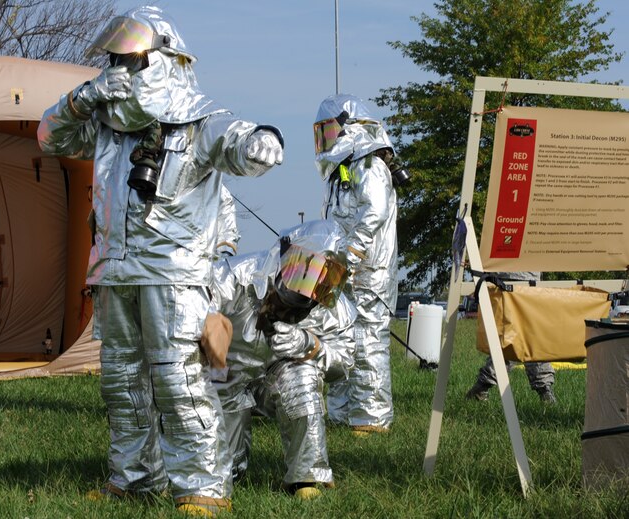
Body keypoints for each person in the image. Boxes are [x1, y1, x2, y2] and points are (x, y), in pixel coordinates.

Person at [37, 6, 284, 516]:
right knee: (121, 381)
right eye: (113, 60)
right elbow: (49, 137)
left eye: (130, 60)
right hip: (114, 270)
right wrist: (83, 98)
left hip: (173, 274)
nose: (119, 70)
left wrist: (261, 142)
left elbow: (243, 145)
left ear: (163, 59)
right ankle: (133, 478)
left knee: (179, 380)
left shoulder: (198, 117)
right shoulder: (105, 120)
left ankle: (202, 485)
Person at [207, 219, 355, 500]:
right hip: (225, 378)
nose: (309, 287)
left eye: (322, 279)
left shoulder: (330, 306)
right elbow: (193, 321)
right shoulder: (233, 276)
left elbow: (344, 361)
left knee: (302, 376)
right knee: (226, 471)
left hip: (277, 378)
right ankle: (220, 472)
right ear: (284, 258)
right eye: (304, 272)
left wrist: (309, 345)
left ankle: (305, 477)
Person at [313, 93, 399, 436]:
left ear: (347, 127)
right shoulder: (341, 172)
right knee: (340, 338)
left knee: (367, 342)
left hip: (368, 274)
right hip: (343, 271)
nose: (324, 141)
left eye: (327, 132)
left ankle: (371, 417)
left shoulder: (371, 166)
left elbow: (374, 213)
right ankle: (342, 412)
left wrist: (350, 256)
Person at [465, 272, 556, 403]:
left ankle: (482, 386)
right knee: (530, 340)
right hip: (525, 280)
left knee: (511, 341)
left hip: (505, 279)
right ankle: (545, 390)